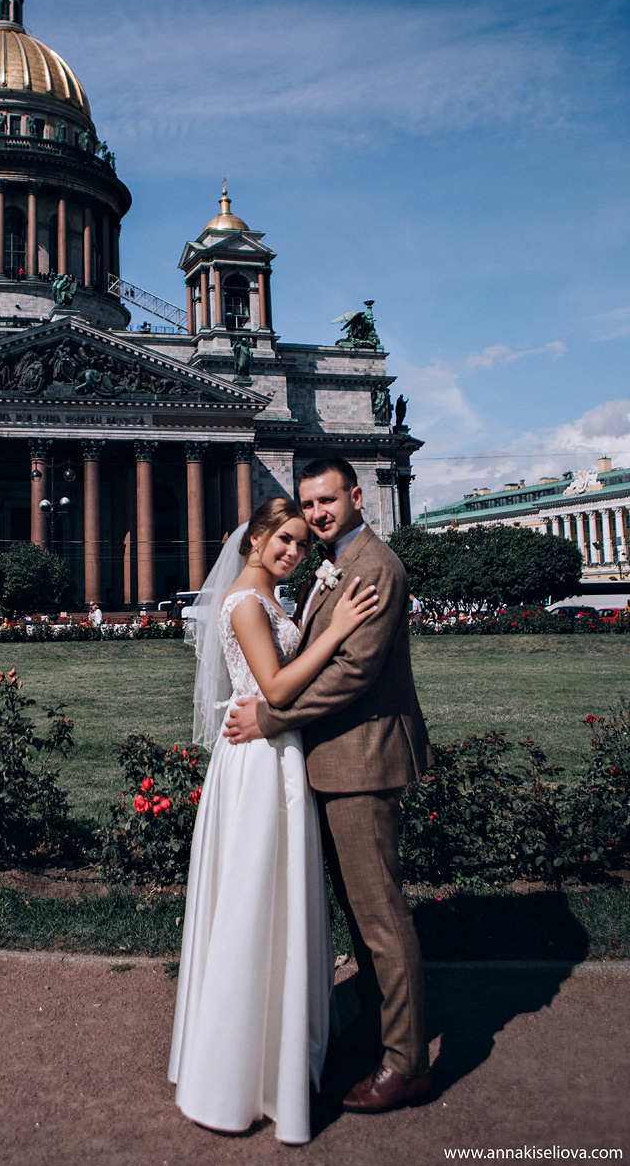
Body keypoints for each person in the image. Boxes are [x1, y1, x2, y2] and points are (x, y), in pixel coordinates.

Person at [225, 458, 434, 1114]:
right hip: (331, 762)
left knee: (380, 917)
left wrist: (269, 715)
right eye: (306, 503)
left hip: (362, 762)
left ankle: (404, 1064)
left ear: (357, 495)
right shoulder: (336, 562)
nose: (315, 514)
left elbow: (352, 673)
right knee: (361, 913)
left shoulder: (373, 565)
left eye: (326, 501)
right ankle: (379, 1037)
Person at [168, 496, 379, 1143]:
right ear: (254, 538)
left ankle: (271, 1052)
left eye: (297, 543)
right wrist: (339, 626)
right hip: (259, 759)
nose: (292, 551)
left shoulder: (267, 596)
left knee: (271, 896)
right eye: (281, 540)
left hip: (273, 753)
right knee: (254, 900)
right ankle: (236, 1074)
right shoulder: (244, 601)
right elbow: (277, 688)